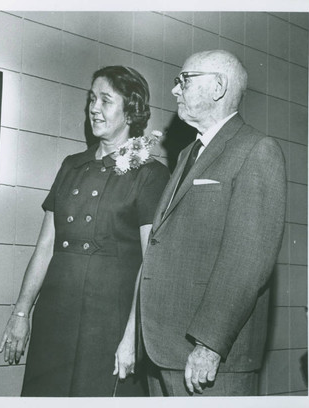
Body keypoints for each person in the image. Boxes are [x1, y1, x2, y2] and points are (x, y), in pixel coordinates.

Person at [115, 50, 287, 396]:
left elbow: (247, 263)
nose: (175, 90)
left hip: (207, 361)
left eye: (185, 80)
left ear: (218, 87)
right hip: (165, 352)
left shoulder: (256, 150)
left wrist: (209, 345)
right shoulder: (187, 155)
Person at [0, 66, 169, 397]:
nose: (94, 107)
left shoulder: (149, 174)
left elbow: (152, 266)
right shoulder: (71, 166)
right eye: (92, 99)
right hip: (56, 319)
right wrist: (21, 312)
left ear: (131, 110)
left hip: (111, 325)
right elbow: (45, 247)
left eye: (106, 100)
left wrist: (133, 337)